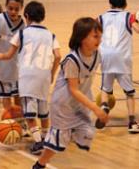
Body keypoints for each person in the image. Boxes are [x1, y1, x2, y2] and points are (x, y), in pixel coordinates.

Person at [33, 17, 108, 169]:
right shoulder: (72, 60)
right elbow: (73, 90)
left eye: (100, 35)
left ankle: (70, 133)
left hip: (80, 102)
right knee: (57, 143)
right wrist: (95, 108)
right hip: (63, 105)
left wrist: (104, 102)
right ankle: (39, 165)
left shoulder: (97, 55)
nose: (99, 39)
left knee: (87, 133)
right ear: (81, 37)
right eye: (95, 36)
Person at [0, 1, 61, 155]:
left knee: (29, 115)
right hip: (44, 76)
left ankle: (38, 142)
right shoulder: (51, 35)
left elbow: (10, 54)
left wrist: (0, 55)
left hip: (27, 77)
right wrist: (51, 73)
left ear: (26, 16)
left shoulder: (23, 33)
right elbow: (58, 55)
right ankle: (46, 138)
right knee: (43, 113)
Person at [98, 0, 139, 133]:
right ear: (125, 4)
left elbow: (93, 32)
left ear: (110, 4)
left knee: (105, 90)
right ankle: (132, 123)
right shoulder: (128, 16)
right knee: (129, 93)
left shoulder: (101, 18)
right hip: (122, 58)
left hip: (105, 56)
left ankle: (104, 106)